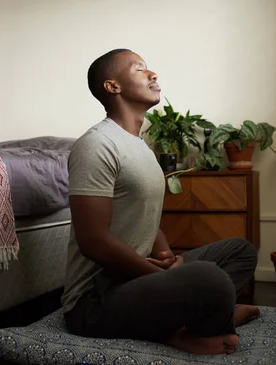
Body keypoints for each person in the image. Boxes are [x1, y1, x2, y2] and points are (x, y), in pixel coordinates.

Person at [61, 49, 260, 355]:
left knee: (240, 251)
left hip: (137, 276)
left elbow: (146, 215)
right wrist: (165, 275)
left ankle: (198, 317)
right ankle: (182, 331)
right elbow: (93, 242)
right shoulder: (97, 144)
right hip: (95, 299)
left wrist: (166, 254)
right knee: (210, 280)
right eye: (140, 69)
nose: (153, 74)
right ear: (113, 86)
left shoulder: (141, 147)